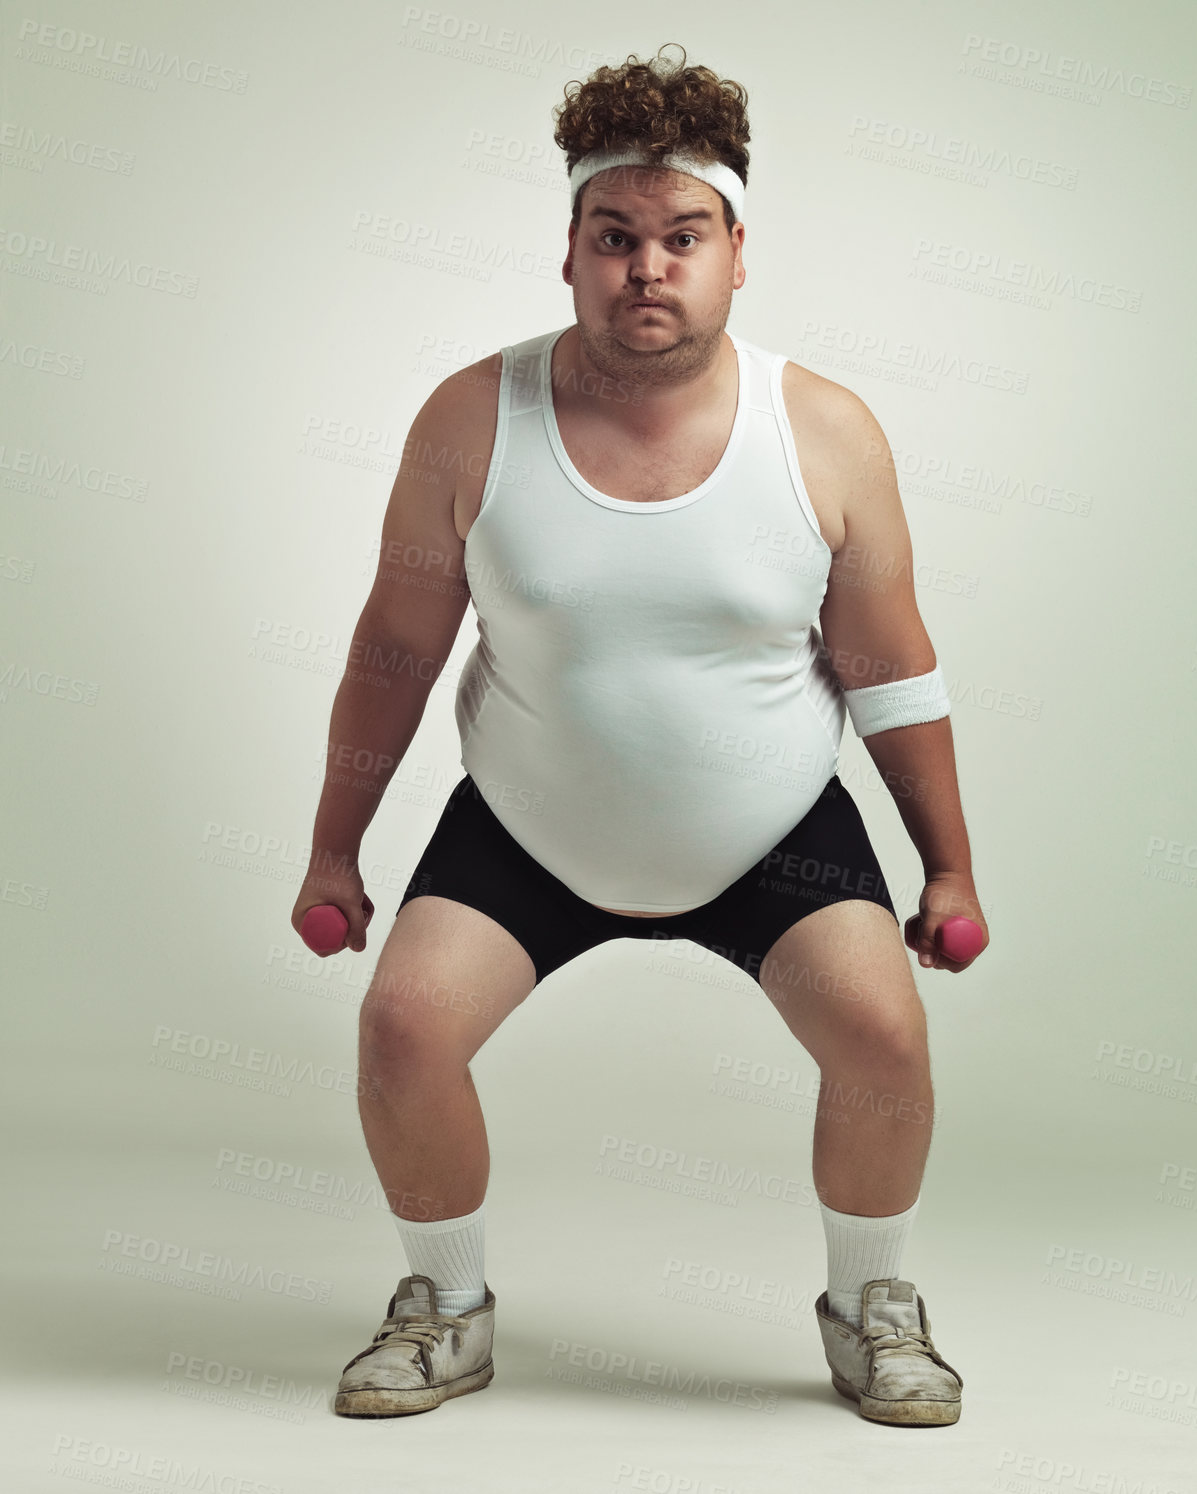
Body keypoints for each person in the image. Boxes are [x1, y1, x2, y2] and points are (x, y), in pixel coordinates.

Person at [292, 42, 988, 1428]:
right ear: (568, 254)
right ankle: (446, 1304)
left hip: (770, 826)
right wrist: (333, 848)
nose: (646, 269)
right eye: (615, 238)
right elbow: (394, 653)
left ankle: (872, 1307)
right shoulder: (468, 419)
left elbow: (888, 668)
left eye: (681, 237)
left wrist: (948, 868)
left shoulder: (826, 432)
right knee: (400, 1029)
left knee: (884, 1039)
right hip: (530, 821)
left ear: (737, 251)